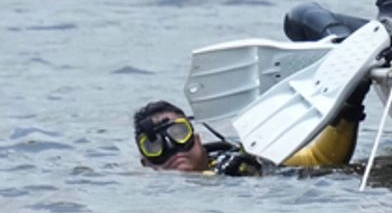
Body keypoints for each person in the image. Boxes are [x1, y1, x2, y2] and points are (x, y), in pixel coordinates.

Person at [133, 89, 367, 175]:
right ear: (145, 163)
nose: (172, 148)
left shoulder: (245, 162)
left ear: (197, 139)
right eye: (154, 145)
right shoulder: (150, 195)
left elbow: (320, 161)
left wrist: (348, 107)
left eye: (178, 133)